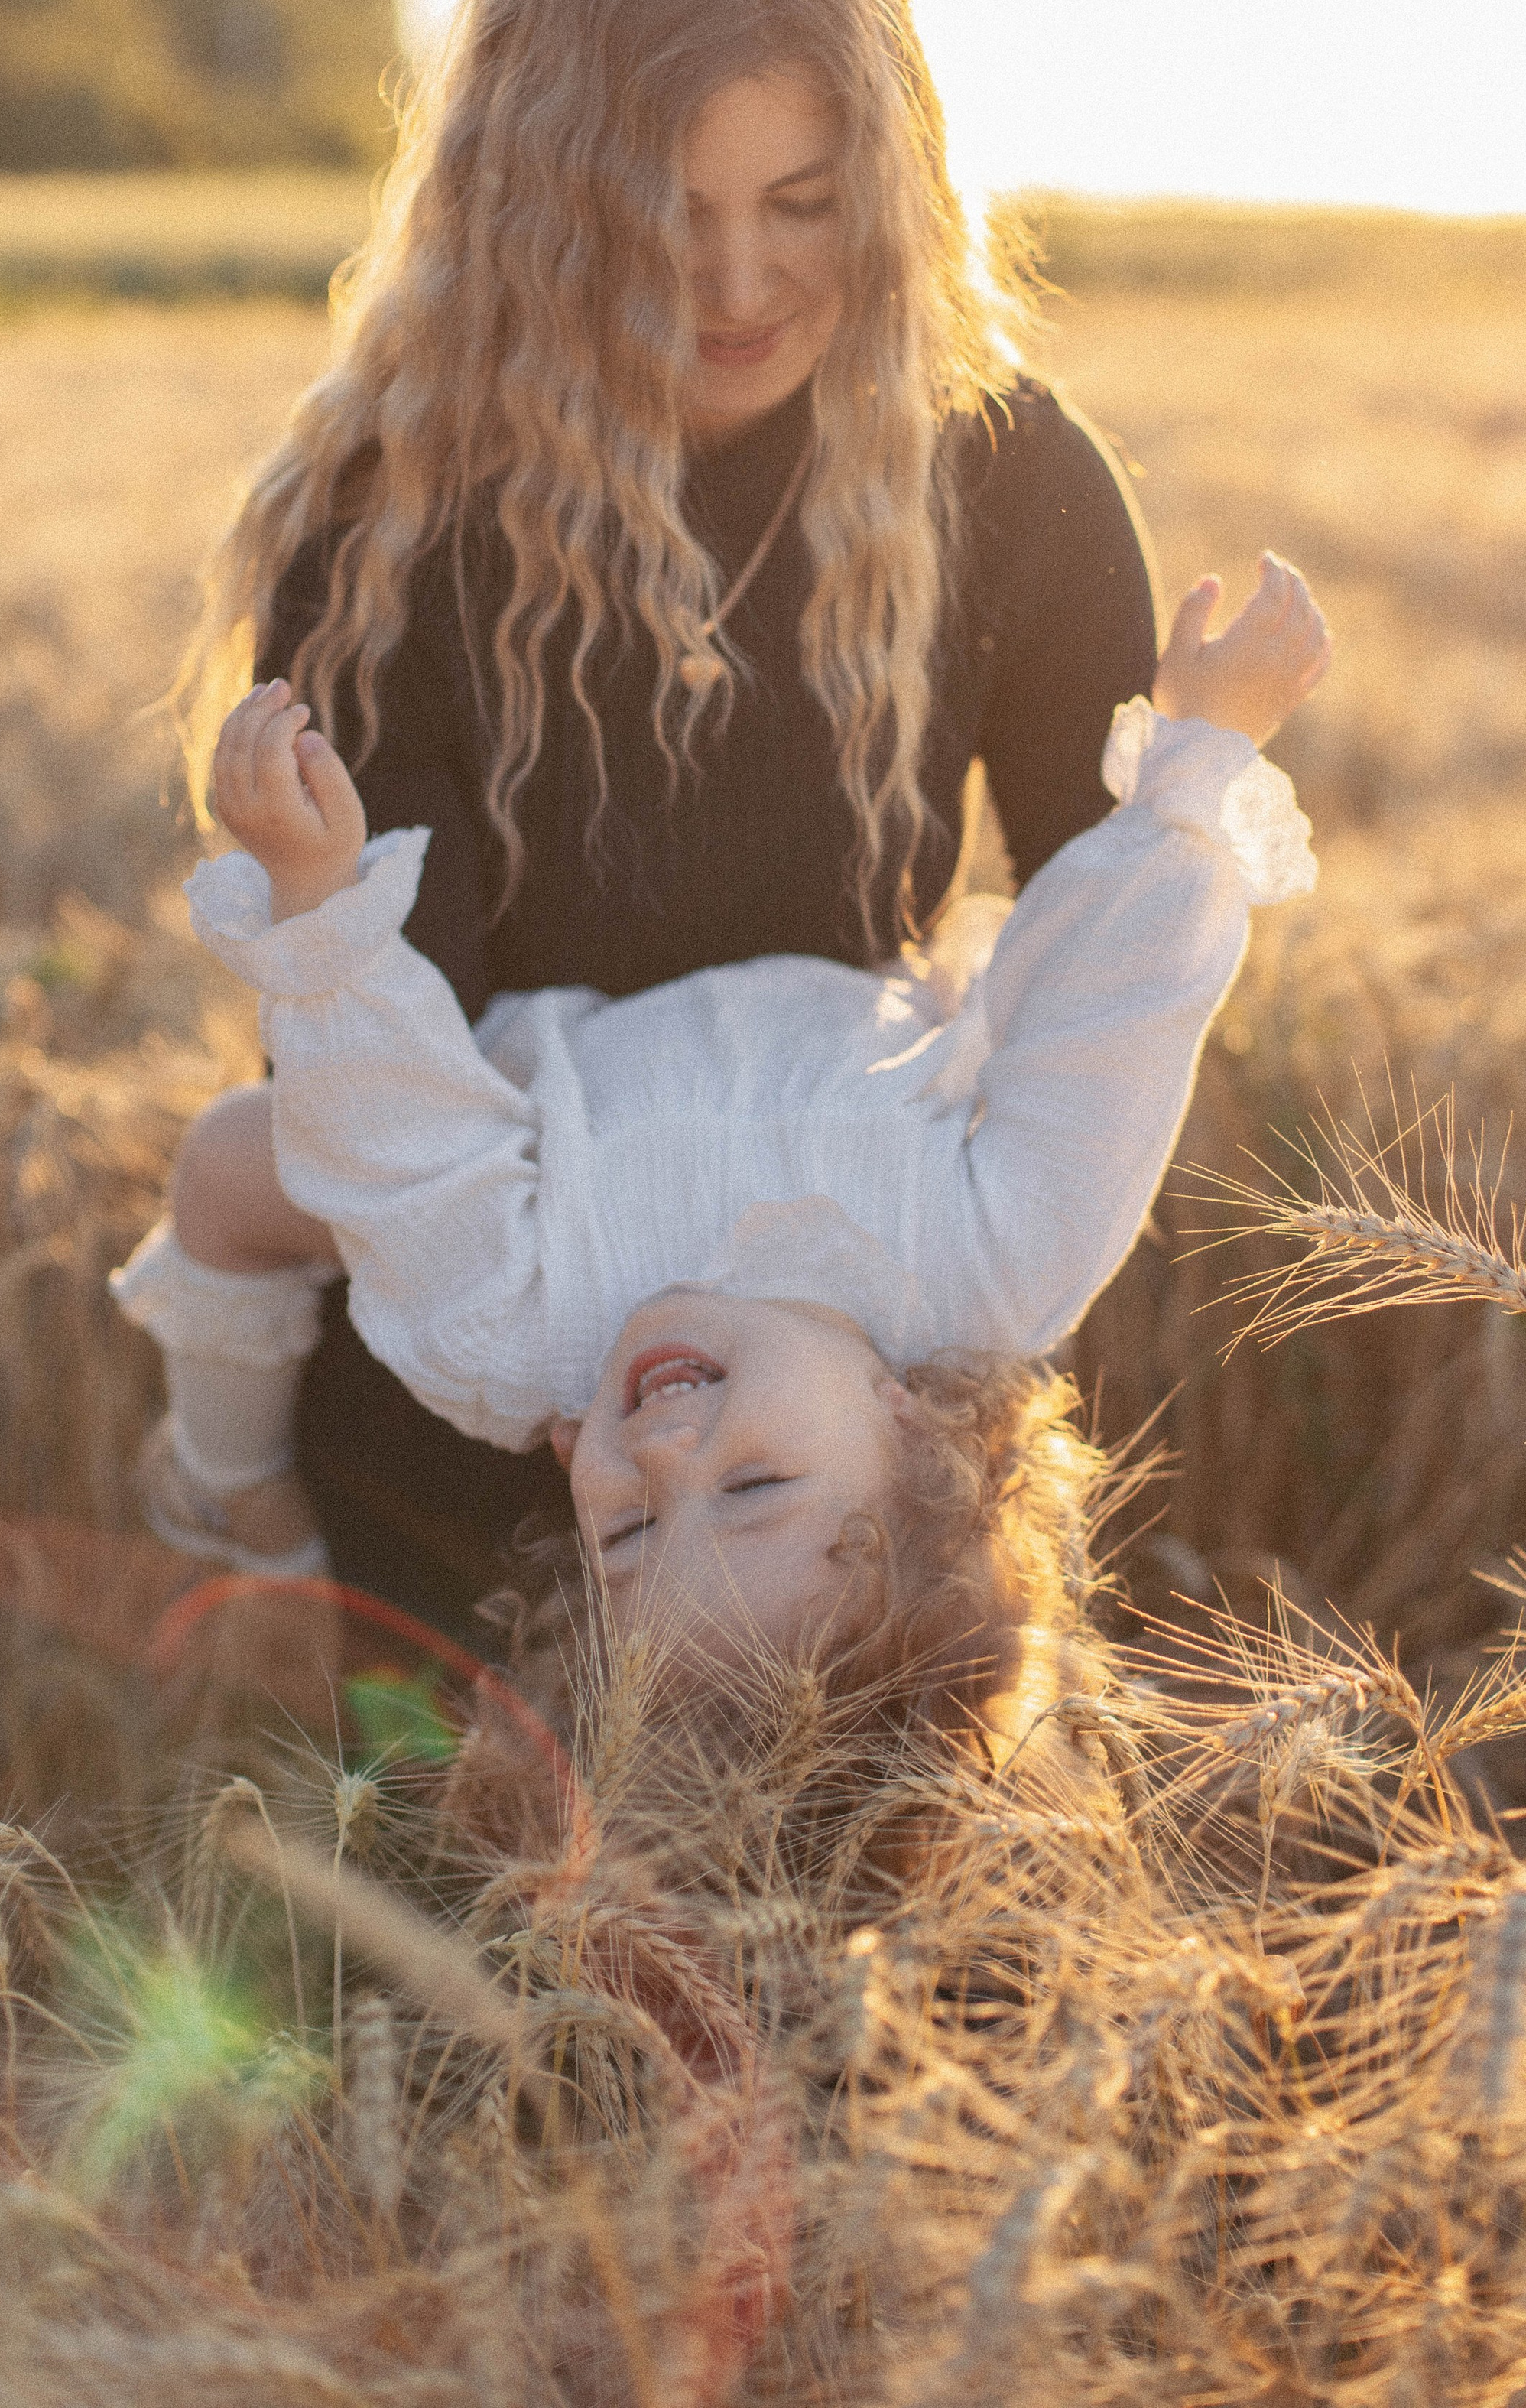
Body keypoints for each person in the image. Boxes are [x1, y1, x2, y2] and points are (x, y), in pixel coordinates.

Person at [167, 0, 1216, 1620]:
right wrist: (637, 1467)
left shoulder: (1010, 479)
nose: (739, 286)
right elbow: (394, 1070)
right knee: (477, 1876)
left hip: (854, 1382)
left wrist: (867, 1447)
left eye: (801, 204)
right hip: (493, 1383)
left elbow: (1100, 953)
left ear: (886, 188)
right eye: (665, 213)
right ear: (536, 209)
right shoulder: (394, 525)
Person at [115, 555, 1327, 1638]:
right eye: (752, 1489)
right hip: (839, 960)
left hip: (543, 1051)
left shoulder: (511, 1333)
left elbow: (401, 1149)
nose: (663, 1455)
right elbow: (1108, 1026)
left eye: (630, 1532)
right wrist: (1202, 756)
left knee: (231, 1159)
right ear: (912, 1437)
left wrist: (323, 906)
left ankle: (227, 1482)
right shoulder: (1000, 1274)